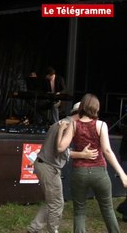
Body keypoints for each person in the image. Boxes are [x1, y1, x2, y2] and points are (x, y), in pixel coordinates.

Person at [57, 93, 127, 233]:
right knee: (107, 210)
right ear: (96, 108)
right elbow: (107, 151)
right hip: (99, 172)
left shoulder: (73, 125)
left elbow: (60, 148)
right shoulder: (101, 125)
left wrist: (60, 131)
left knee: (79, 211)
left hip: (79, 172)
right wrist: (122, 174)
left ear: (82, 107)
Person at [27, 102, 99, 233]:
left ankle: (34, 228)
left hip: (46, 165)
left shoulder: (65, 123)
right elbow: (61, 150)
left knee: (52, 200)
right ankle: (52, 230)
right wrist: (82, 154)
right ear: (80, 113)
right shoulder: (66, 125)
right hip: (48, 167)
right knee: (56, 203)